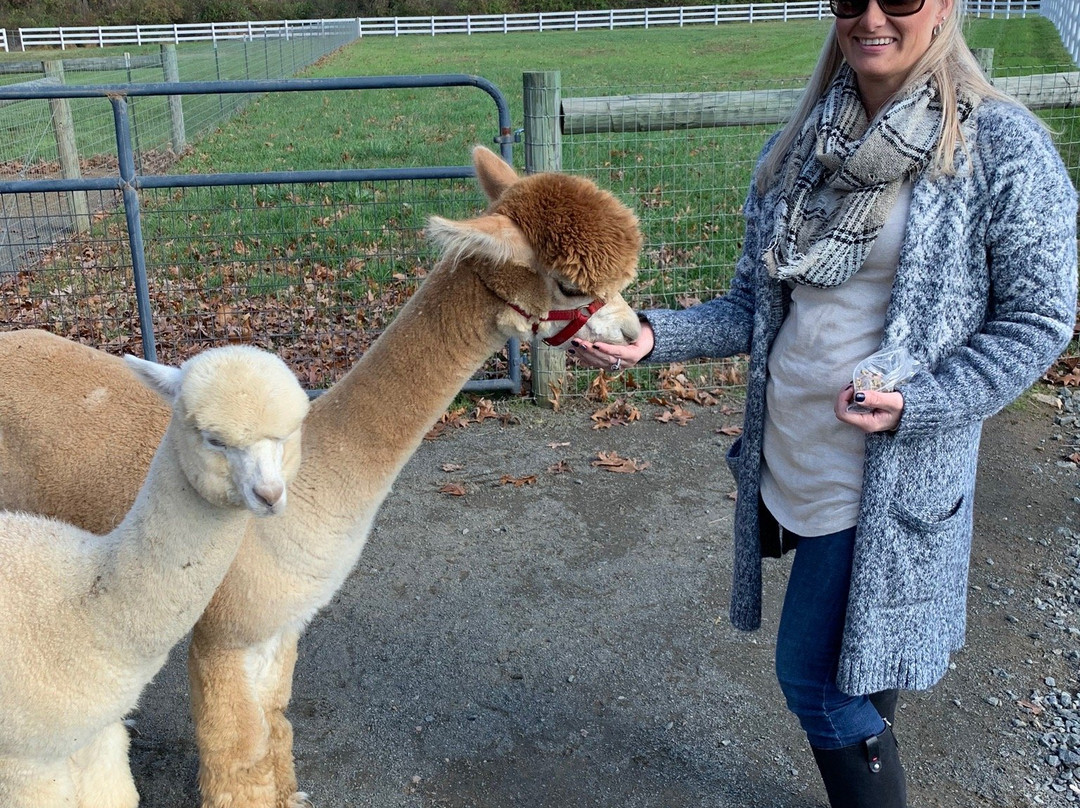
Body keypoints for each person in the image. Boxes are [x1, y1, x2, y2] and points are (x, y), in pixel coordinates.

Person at [570, 0, 1078, 804]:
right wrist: (655, 338)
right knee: (855, 665)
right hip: (793, 453)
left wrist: (925, 403)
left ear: (944, 7)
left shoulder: (1000, 147)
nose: (871, 16)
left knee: (812, 678)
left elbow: (1039, 319)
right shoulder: (799, 150)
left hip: (888, 475)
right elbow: (753, 306)